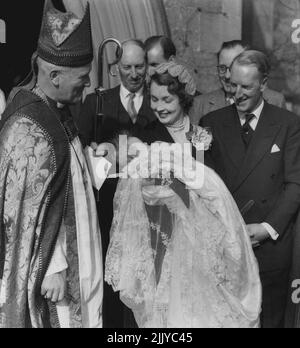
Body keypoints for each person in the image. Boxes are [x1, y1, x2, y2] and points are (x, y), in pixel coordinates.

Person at [104, 62, 262, 328]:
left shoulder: (203, 134)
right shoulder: (144, 136)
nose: (159, 107)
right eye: (154, 99)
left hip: (204, 250)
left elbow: (217, 186)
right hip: (161, 247)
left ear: (184, 99)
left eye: (167, 99)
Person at [0, 0, 103, 328]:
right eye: (83, 77)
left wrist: (98, 164)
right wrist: (53, 265)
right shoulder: (28, 125)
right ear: (55, 74)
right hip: (54, 271)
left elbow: (65, 180)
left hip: (81, 249)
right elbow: (21, 211)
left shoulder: (58, 108)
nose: (88, 84)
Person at [200, 50, 300, 328]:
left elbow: (295, 184)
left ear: (264, 84)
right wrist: (227, 228)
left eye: (246, 86)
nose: (237, 94)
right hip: (225, 245)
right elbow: (204, 185)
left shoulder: (289, 124)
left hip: (269, 248)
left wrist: (268, 228)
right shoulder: (211, 123)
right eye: (233, 85)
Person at [79, 39, 156, 328]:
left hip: (149, 208)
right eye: (127, 67)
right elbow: (82, 147)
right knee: (114, 281)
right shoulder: (97, 102)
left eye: (139, 67)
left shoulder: (158, 101)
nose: (134, 74)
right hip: (109, 208)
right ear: (116, 68)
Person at [190, 40, 286, 124]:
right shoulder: (201, 105)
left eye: (233, 68)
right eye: (222, 68)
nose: (227, 76)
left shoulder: (275, 101)